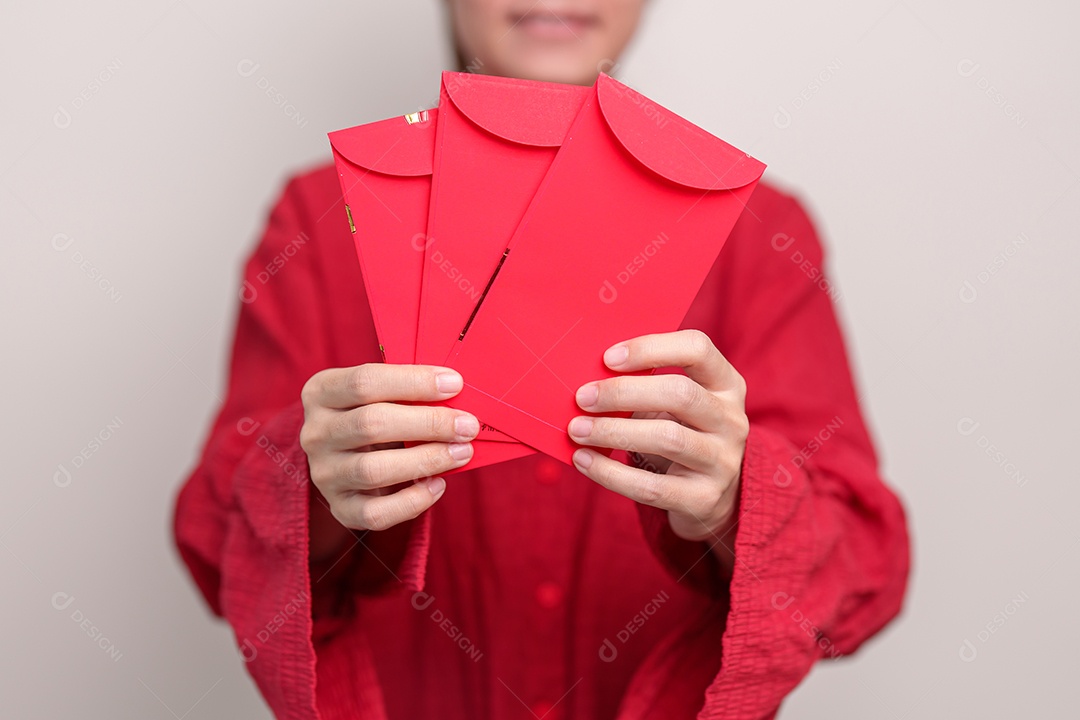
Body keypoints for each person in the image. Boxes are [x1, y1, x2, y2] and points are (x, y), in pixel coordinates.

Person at [172, 1, 911, 718]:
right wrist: (312, 491)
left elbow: (867, 571)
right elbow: (214, 543)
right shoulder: (318, 218)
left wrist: (737, 503)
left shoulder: (762, 238)